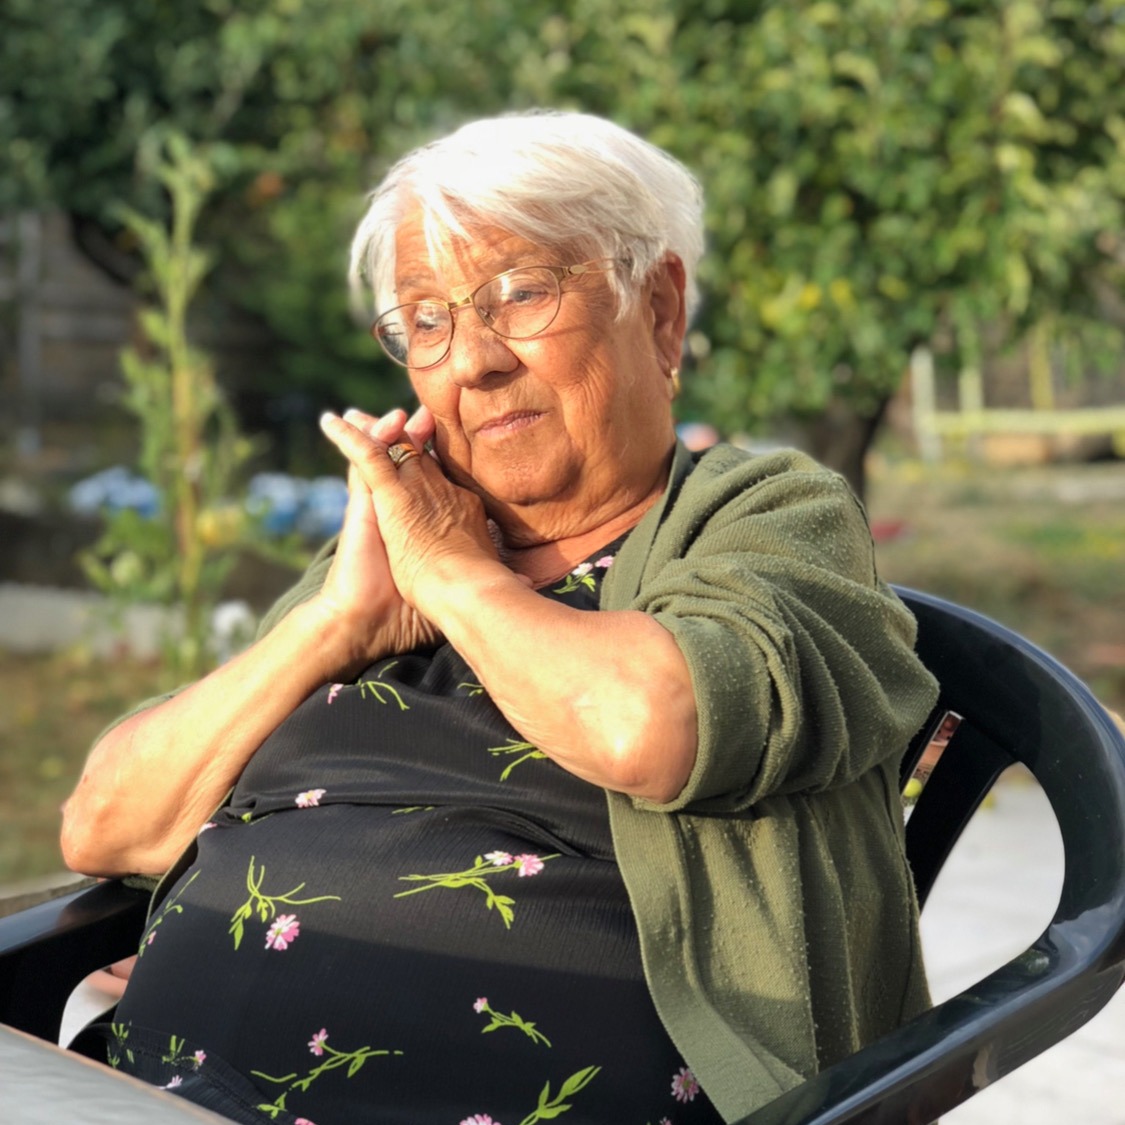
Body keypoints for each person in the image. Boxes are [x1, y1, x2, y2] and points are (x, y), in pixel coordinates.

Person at [61, 110, 939, 1125]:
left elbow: (650, 728)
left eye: (520, 293)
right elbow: (105, 823)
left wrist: (454, 579)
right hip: (165, 1092)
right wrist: (332, 627)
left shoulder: (758, 514)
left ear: (659, 310)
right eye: (425, 320)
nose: (472, 360)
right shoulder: (394, 561)